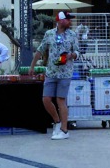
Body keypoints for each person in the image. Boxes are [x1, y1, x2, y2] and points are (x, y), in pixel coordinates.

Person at [31, 11, 79, 140]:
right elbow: (40, 50)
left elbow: (77, 51)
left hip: (65, 73)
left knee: (60, 100)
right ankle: (57, 122)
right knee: (46, 99)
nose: (70, 22)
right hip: (51, 72)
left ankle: (64, 130)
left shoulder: (72, 35)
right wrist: (32, 66)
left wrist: (71, 55)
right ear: (61, 21)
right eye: (68, 19)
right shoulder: (49, 34)